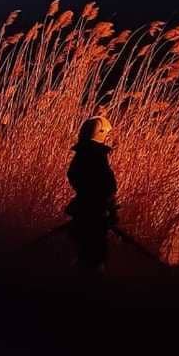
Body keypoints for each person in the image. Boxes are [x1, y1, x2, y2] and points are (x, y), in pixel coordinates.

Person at [66, 116, 117, 273]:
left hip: (81, 213)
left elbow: (73, 177)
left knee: (82, 254)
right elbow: (109, 187)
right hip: (95, 216)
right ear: (101, 134)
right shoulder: (98, 158)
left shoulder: (80, 156)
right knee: (95, 260)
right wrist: (110, 210)